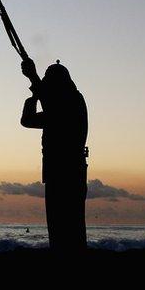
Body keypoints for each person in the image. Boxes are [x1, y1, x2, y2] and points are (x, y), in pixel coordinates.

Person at [20, 59, 89, 252]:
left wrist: (33, 79)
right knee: (59, 226)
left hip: (67, 171)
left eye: (48, 80)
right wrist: (34, 94)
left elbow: (40, 111)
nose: (45, 84)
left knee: (68, 225)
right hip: (59, 171)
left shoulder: (71, 102)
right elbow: (28, 119)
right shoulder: (63, 104)